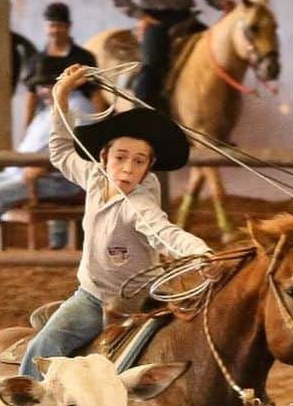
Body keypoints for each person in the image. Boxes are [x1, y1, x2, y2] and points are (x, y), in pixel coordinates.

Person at [19, 64, 210, 380]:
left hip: (139, 300)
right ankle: (21, 404)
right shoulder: (93, 177)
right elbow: (60, 151)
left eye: (139, 161)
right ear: (103, 157)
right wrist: (61, 95)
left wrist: (201, 252)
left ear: (148, 168)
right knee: (46, 343)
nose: (127, 168)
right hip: (93, 297)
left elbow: (165, 233)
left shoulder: (138, 205)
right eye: (120, 157)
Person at [0, 82, 81, 254]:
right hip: (22, 172)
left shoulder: (78, 109)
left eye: (45, 86)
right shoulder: (47, 112)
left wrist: (47, 167)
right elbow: (28, 150)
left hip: (58, 181)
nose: (41, 91)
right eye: (41, 87)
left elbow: (79, 150)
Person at [21, 1, 103, 130]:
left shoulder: (84, 57)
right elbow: (32, 96)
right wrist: (28, 128)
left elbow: (96, 93)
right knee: (30, 146)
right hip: (47, 111)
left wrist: (100, 126)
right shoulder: (36, 60)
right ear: (45, 28)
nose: (55, 30)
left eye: (60, 25)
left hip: (79, 108)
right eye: (51, 25)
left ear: (68, 27)